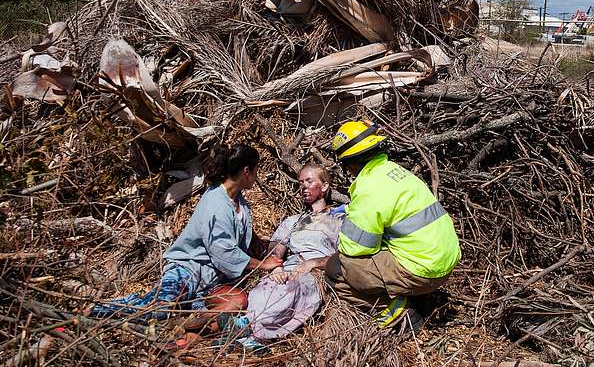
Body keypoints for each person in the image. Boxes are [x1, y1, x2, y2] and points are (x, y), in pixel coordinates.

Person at [91, 145, 282, 343]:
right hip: (188, 270)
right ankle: (97, 310)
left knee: (238, 301)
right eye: (255, 170)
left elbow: (246, 239)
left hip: (213, 281)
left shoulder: (239, 203)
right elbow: (223, 252)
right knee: (160, 308)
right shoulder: (216, 203)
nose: (256, 175)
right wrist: (261, 265)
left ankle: (183, 324)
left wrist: (272, 250)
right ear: (246, 171)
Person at [323, 120, 460, 328]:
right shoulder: (396, 171)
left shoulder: (369, 187)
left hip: (422, 270)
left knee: (337, 269)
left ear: (350, 163)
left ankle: (396, 310)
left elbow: (355, 248)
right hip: (443, 263)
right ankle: (421, 297)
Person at [224, 165, 343, 349]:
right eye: (301, 182)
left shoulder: (338, 220)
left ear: (325, 186)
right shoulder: (293, 220)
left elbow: (345, 256)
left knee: (290, 291)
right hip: (289, 267)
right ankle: (248, 336)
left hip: (315, 272)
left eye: (309, 181)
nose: (303, 186)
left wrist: (313, 263)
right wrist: (276, 265)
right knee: (268, 287)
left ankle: (246, 328)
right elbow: (277, 245)